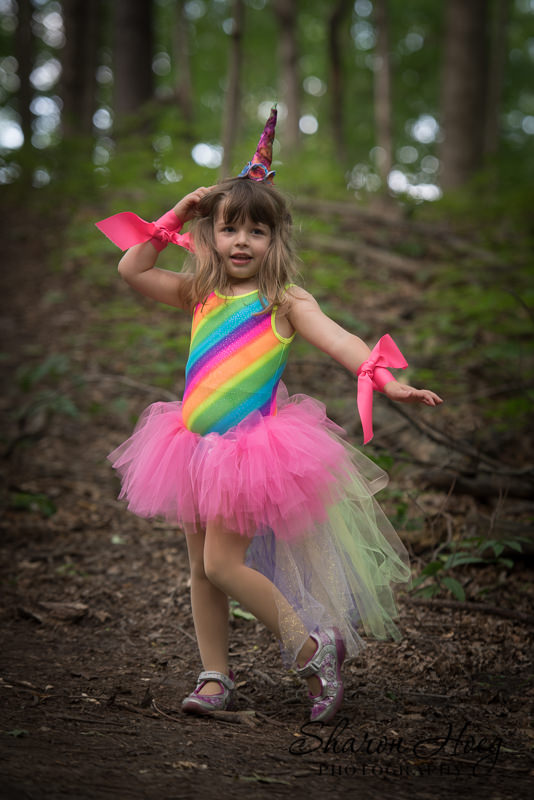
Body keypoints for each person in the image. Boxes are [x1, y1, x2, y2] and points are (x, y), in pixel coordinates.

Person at [95, 107, 442, 723]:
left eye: (256, 232)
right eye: (229, 229)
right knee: (202, 570)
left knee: (221, 564)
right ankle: (214, 676)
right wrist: (179, 210)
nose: (241, 242)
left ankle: (311, 650)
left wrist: (388, 383)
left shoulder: (283, 300)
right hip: (190, 446)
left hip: (247, 453)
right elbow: (131, 267)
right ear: (210, 234)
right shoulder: (200, 291)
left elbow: (342, 342)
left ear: (275, 240)